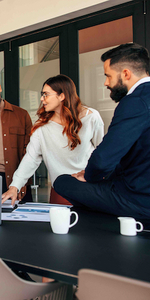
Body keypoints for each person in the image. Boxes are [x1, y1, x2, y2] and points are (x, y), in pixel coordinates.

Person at [54, 43, 150, 219]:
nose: (106, 82)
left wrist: (89, 176)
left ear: (126, 74)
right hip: (138, 188)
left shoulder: (134, 102)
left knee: (63, 182)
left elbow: (102, 160)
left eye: (108, 76)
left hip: (136, 199)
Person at [2, 75, 104, 205]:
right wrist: (14, 187)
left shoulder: (91, 117)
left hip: (89, 188)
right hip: (60, 191)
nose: (41, 99)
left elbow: (102, 152)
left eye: (46, 94)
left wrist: (94, 175)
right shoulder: (42, 126)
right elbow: (31, 158)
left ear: (61, 96)